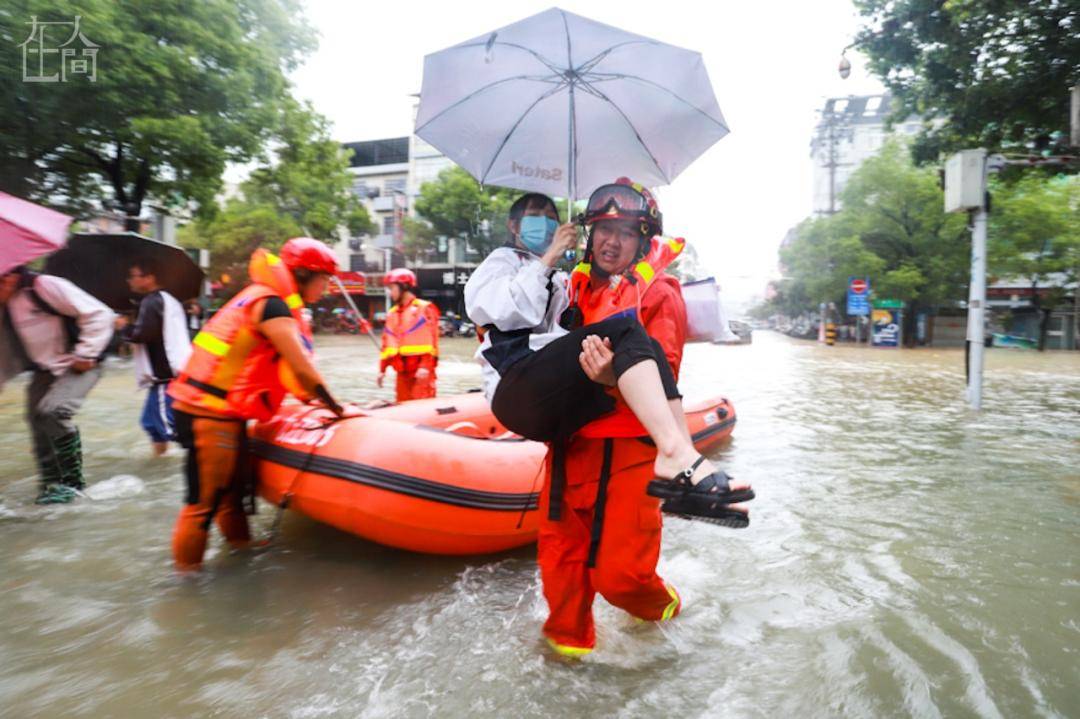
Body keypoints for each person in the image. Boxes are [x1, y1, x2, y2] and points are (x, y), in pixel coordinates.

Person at [465, 180, 753, 657]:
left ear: (644, 240)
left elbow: (664, 372)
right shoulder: (568, 288)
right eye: (603, 229)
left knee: (622, 579)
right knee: (562, 580)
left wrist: (612, 379)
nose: (611, 241)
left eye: (625, 232)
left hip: (628, 455)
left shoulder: (659, 292)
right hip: (570, 450)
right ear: (588, 233)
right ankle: (566, 670)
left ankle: (670, 609)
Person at [166, 237, 346, 571]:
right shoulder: (272, 305)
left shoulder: (262, 298)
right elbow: (303, 370)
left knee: (233, 500)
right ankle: (185, 583)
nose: (327, 287)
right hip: (206, 411)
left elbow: (288, 376)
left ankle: (242, 553)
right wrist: (339, 410)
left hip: (218, 410)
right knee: (202, 505)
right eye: (325, 279)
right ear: (305, 274)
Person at [0, 266, 115, 503]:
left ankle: (72, 485)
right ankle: (50, 484)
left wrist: (86, 353)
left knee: (53, 412)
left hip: (79, 362)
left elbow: (100, 314)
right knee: (35, 418)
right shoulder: (5, 308)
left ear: (11, 278)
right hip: (45, 368)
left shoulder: (45, 286)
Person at [115, 258, 192, 456]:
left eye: (132, 276)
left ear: (149, 278)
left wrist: (124, 327)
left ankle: (200, 458)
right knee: (152, 425)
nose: (129, 281)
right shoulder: (167, 300)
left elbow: (143, 334)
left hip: (165, 376)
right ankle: (160, 465)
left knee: (169, 428)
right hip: (170, 375)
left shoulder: (152, 301)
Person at [378, 268, 440, 402]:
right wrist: (382, 370)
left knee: (421, 409)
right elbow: (386, 344)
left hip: (420, 371)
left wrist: (425, 366)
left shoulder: (424, 308)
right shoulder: (392, 313)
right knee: (402, 405)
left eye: (392, 288)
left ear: (404, 286)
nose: (389, 292)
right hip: (402, 372)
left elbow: (432, 342)